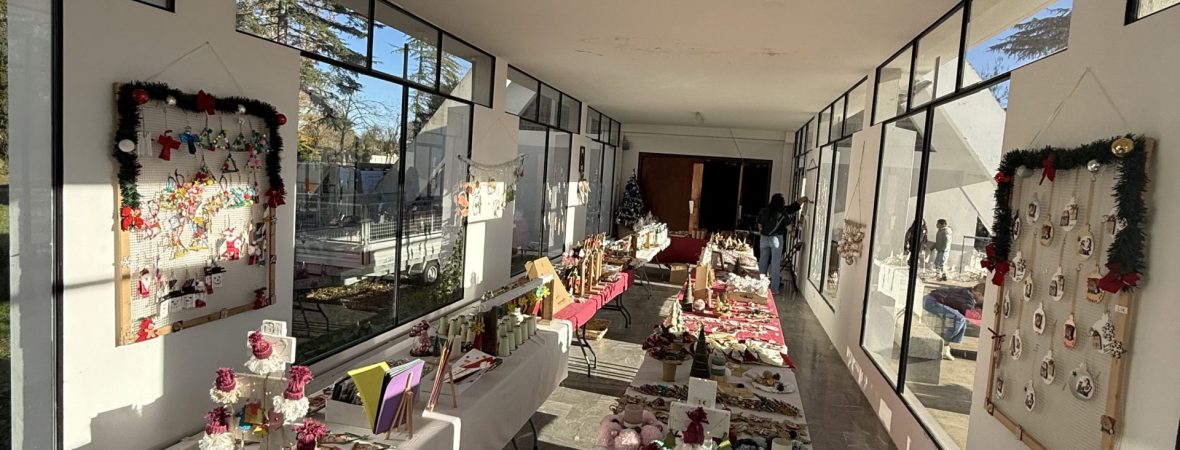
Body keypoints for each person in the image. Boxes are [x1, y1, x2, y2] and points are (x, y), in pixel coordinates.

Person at [756, 193, 807, 295]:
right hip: (776, 239)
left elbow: (759, 225)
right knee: (775, 264)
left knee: (763, 262)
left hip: (764, 238)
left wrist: (764, 232)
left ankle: (761, 286)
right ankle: (774, 289)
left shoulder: (764, 210)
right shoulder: (782, 213)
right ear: (781, 203)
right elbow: (789, 228)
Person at [922, 282, 985, 361]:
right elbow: (969, 314)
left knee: (961, 320)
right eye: (984, 299)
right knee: (959, 319)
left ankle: (946, 347)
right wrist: (984, 323)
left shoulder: (969, 293)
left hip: (932, 300)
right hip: (931, 302)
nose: (983, 302)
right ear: (979, 294)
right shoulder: (967, 297)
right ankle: (943, 347)